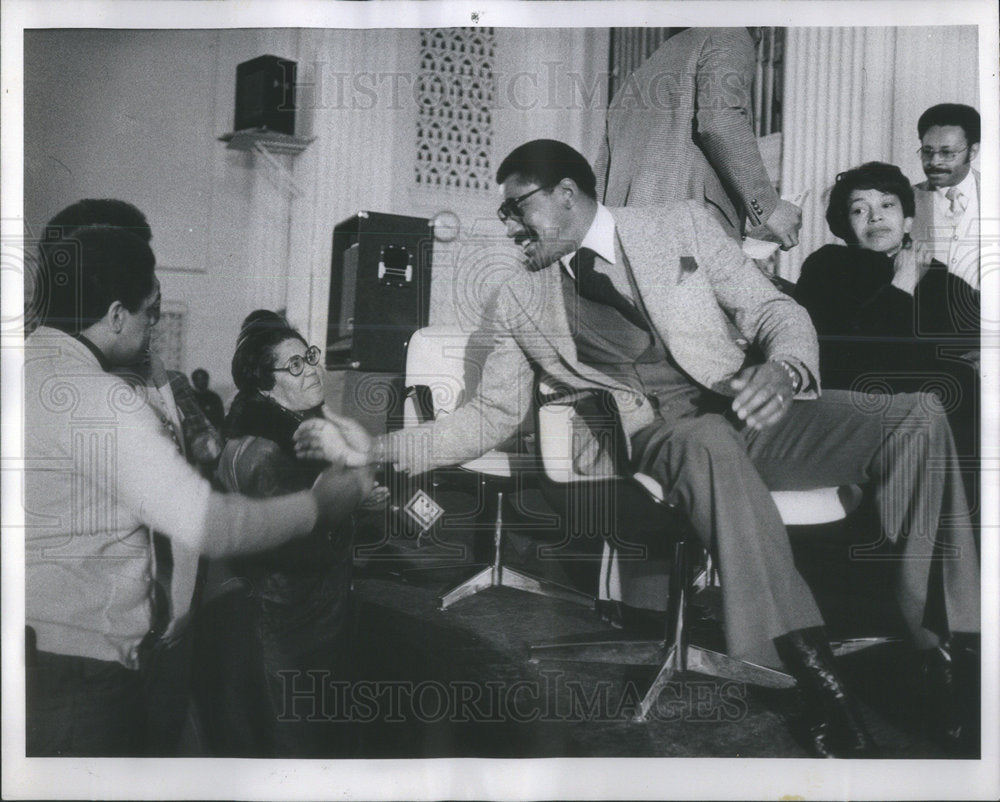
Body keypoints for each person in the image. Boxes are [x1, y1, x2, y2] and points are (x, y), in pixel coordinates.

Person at [304, 140, 981, 758]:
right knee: (709, 441)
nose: (509, 226)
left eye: (518, 208)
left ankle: (946, 649)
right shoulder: (519, 300)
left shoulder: (679, 224)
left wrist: (782, 368)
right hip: (661, 433)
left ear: (567, 194)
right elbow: (487, 416)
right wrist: (380, 447)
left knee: (917, 417)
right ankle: (815, 683)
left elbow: (774, 309)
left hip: (749, 401)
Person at [24, 225, 372, 756]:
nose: (153, 330)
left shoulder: (24, 367)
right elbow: (209, 523)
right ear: (117, 314)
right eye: (150, 315)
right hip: (84, 666)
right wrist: (322, 506)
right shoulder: (101, 399)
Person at [34, 198, 222, 754]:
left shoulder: (155, 369)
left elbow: (200, 448)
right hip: (91, 628)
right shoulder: (59, 371)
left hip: (166, 605)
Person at [195, 310, 362, 757]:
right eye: (294, 366)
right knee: (298, 747)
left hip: (293, 617)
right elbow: (292, 547)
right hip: (294, 624)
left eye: (308, 356)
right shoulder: (268, 454)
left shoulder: (270, 437)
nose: (310, 369)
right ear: (264, 385)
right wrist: (343, 509)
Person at [795, 162, 979, 460]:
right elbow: (851, 359)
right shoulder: (827, 267)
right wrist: (902, 286)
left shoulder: (936, 276)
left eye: (887, 204)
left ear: (907, 221)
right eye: (859, 209)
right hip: (861, 410)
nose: (875, 215)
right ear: (845, 224)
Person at [593, 27, 802, 249]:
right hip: (685, 239)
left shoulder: (639, 74)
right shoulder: (729, 34)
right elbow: (720, 122)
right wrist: (769, 206)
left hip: (627, 241)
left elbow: (601, 176)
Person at [910, 103, 980, 292]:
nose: (934, 161)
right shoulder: (904, 200)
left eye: (947, 153)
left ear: (972, 151)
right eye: (927, 151)